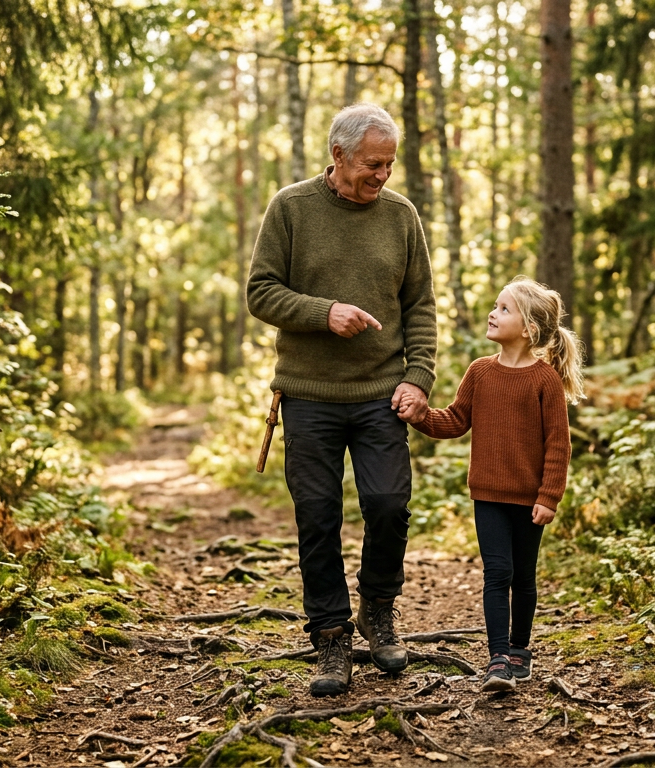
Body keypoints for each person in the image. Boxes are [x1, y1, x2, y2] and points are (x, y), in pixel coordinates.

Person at [246, 103, 438, 697]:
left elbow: (421, 307)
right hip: (308, 396)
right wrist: (323, 313)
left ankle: (377, 610)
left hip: (383, 395)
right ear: (339, 155)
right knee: (318, 517)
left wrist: (419, 379)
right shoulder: (292, 208)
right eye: (372, 164)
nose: (382, 175)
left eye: (389, 164)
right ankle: (330, 638)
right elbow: (260, 292)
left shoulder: (402, 216)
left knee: (387, 505)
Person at [410, 276, 583, 692]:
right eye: (495, 305)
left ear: (527, 329)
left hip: (529, 500)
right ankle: (498, 658)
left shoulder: (544, 380)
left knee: (523, 576)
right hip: (487, 494)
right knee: (497, 573)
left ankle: (520, 650)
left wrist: (549, 496)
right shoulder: (480, 372)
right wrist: (420, 415)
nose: (493, 313)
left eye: (504, 309)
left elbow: (558, 445)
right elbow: (454, 419)